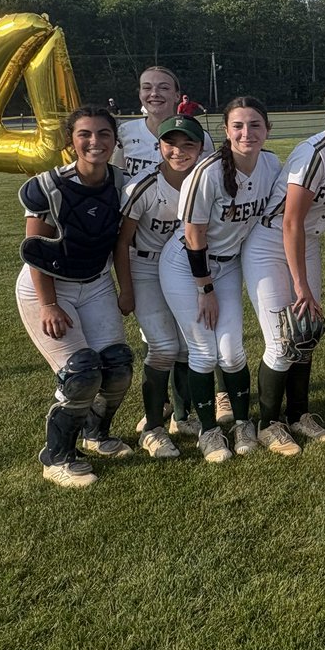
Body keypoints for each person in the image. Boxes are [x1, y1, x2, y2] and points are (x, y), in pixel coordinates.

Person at [242, 83, 325, 455]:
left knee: (306, 334)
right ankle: (268, 424)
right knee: (282, 340)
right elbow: (290, 222)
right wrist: (301, 284)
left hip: (306, 241)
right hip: (270, 242)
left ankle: (298, 415)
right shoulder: (315, 153)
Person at [15, 106, 133, 487]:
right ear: (71, 141)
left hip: (95, 280)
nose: (94, 141)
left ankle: (95, 434)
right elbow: (37, 249)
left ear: (115, 140)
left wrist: (125, 287)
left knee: (116, 365)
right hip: (48, 284)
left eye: (103, 134)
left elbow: (119, 243)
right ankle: (57, 455)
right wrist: (48, 303)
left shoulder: (120, 182)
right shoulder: (49, 186)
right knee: (81, 372)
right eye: (85, 134)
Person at [159, 96, 281, 462]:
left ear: (267, 129)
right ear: (226, 132)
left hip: (227, 265)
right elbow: (194, 236)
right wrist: (205, 289)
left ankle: (243, 423)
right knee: (204, 351)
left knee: (232, 352)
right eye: (238, 126)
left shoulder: (271, 164)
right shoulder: (207, 173)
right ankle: (209, 432)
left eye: (255, 125)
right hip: (188, 266)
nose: (247, 133)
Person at [112, 66, 216, 425]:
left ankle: (181, 412)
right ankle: (155, 417)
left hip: (184, 256)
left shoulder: (201, 150)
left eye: (163, 87)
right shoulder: (126, 137)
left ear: (177, 94)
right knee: (161, 343)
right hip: (143, 250)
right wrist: (125, 287)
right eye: (146, 87)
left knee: (187, 343)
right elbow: (116, 189)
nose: (154, 93)